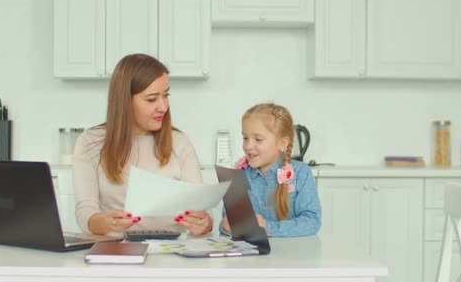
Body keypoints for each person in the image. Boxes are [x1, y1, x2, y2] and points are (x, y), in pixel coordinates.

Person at [73, 53, 212, 236]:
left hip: (171, 251)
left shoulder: (179, 142)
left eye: (166, 95)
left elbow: (201, 212)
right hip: (116, 251)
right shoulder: (90, 142)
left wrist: (204, 222)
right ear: (125, 101)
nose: (163, 107)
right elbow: (85, 213)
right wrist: (107, 223)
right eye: (152, 99)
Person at [221, 103, 321, 237]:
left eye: (258, 139)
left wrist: (269, 227)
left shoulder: (301, 173)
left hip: (293, 254)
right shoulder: (239, 174)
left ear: (282, 143)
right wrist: (226, 226)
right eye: (245, 138)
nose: (248, 146)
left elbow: (312, 222)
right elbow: (226, 222)